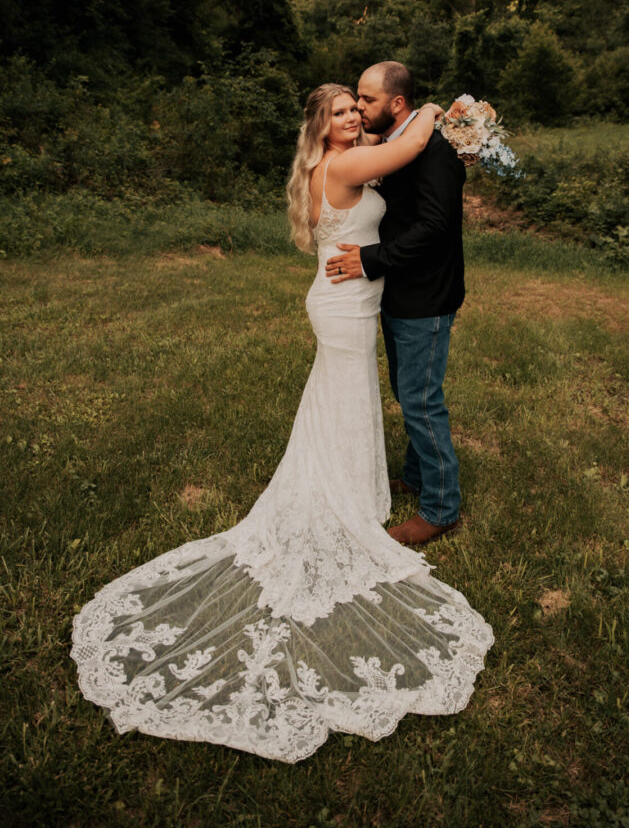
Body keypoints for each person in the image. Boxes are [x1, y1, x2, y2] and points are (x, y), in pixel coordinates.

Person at [71, 83, 493, 764]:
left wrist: (431, 140)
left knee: (344, 396)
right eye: (341, 112)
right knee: (347, 393)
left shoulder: (344, 159)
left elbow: (400, 156)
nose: (354, 117)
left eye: (358, 108)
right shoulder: (347, 164)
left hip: (348, 298)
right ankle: (345, 494)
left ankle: (352, 480)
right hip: (345, 301)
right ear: (321, 128)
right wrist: (450, 113)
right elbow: (412, 143)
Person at [325, 62, 465, 546]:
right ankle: (417, 474)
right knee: (409, 393)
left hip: (425, 295)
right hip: (399, 292)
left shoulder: (436, 155)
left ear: (397, 104)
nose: (360, 108)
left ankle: (441, 507)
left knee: (422, 400)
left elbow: (433, 230)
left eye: (366, 100)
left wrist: (369, 259)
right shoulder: (393, 143)